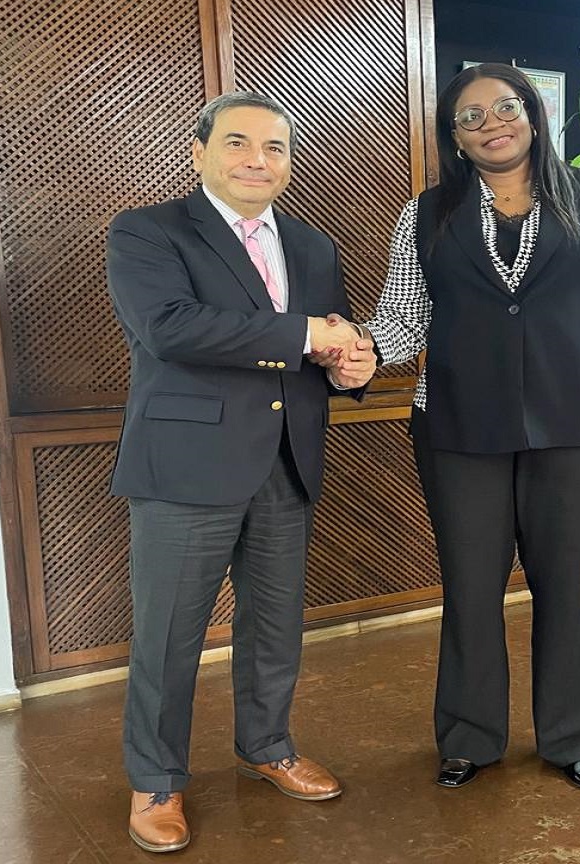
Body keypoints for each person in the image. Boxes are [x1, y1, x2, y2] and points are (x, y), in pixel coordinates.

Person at [331, 62, 580, 791]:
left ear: (533, 115)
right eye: (471, 117)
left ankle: (574, 737)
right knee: (470, 587)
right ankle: (468, 737)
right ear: (454, 138)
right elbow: (404, 317)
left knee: (566, 588)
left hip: (573, 424)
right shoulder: (425, 213)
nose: (492, 124)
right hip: (458, 426)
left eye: (505, 107)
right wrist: (358, 350)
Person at [106, 91, 376, 853]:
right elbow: (170, 328)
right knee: (168, 634)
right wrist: (308, 334)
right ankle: (156, 780)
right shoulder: (149, 231)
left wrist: (351, 366)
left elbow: (324, 346)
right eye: (237, 142)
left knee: (276, 624)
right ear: (199, 152)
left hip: (287, 461)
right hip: (185, 466)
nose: (258, 159)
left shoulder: (314, 245)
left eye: (275, 147)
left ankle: (268, 746)